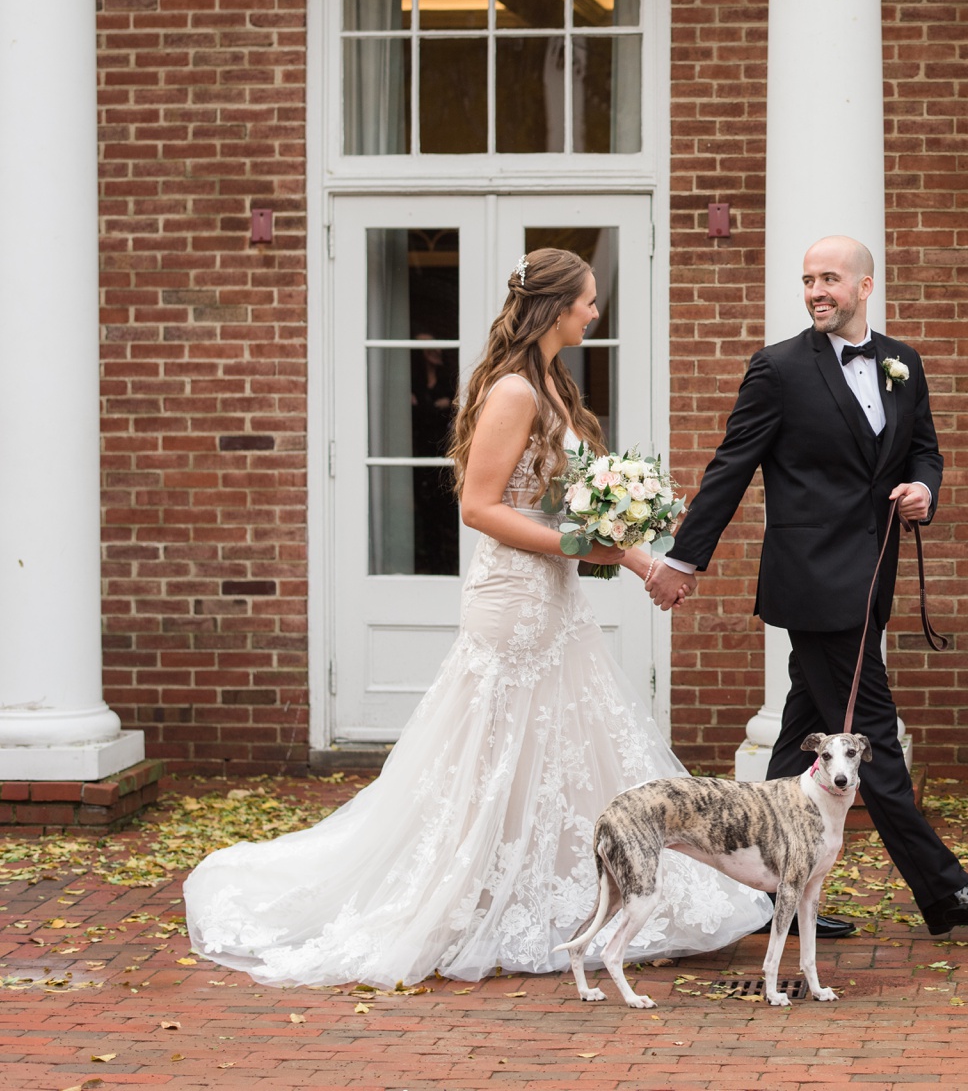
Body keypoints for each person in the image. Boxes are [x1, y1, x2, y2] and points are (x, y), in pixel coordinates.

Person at [184, 249, 772, 987]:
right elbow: (480, 507)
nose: (596, 312)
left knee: (564, 745)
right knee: (493, 753)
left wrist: (628, 548)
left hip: (553, 593)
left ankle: (564, 886)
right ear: (557, 308)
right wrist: (584, 543)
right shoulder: (515, 390)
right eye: (589, 301)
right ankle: (470, 894)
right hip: (512, 600)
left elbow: (562, 504)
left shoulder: (553, 384)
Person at [649, 235, 968, 937]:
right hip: (815, 585)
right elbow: (731, 466)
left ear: (865, 285)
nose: (816, 290)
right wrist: (683, 559)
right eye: (808, 279)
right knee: (868, 735)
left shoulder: (902, 362)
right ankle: (945, 891)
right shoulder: (779, 369)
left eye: (829, 278)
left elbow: (924, 449)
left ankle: (763, 901)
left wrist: (923, 488)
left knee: (800, 740)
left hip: (873, 577)